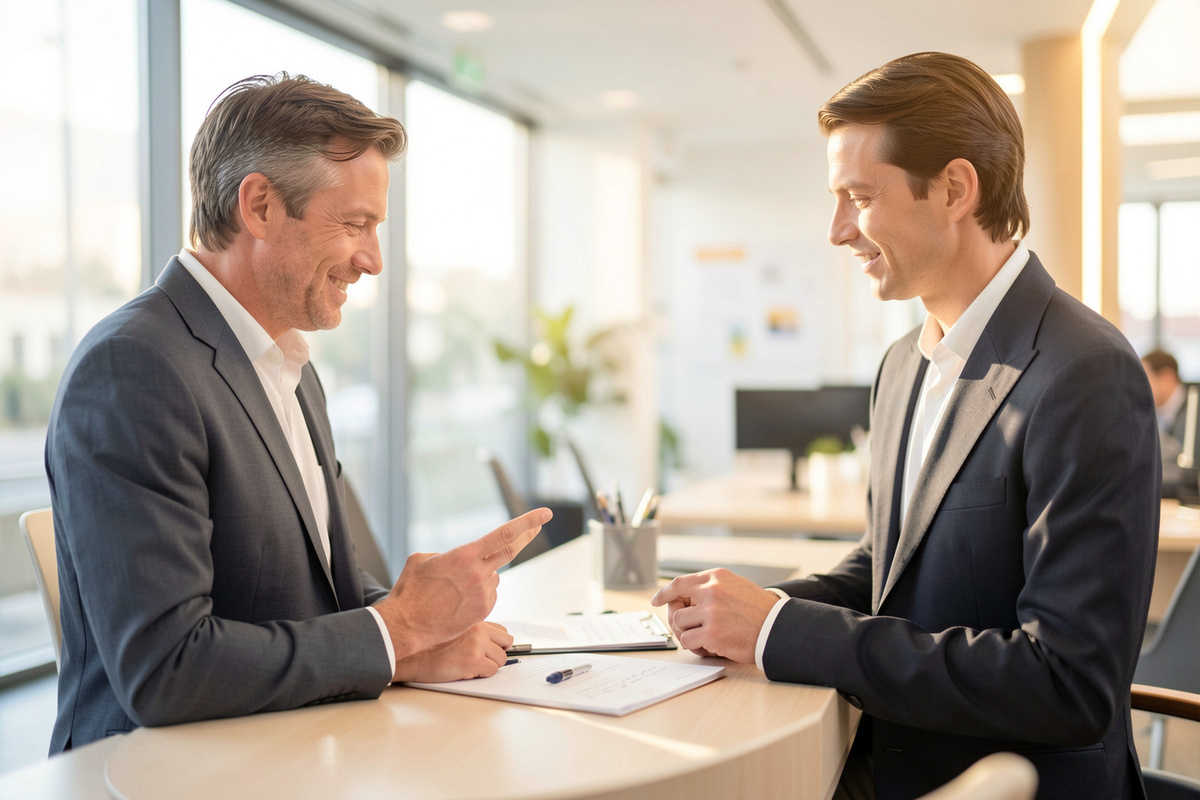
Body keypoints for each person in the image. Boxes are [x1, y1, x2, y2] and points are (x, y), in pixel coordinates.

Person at [652, 52, 1159, 800]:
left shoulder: (1085, 372)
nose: (836, 231)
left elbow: (1068, 684)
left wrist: (779, 631)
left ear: (954, 188)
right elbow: (888, 570)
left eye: (858, 196)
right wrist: (735, 611)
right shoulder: (903, 364)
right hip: (884, 757)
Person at [45, 73, 549, 753]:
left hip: (282, 750)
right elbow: (165, 671)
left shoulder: (287, 366)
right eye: (355, 224)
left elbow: (312, 594)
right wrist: (397, 636)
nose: (371, 259)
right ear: (259, 206)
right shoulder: (135, 368)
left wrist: (414, 622)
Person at [1142, 348, 1188, 498]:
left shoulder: (1194, 414)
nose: (1141, 386)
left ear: (1167, 378)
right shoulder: (1158, 413)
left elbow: (1186, 474)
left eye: (1145, 378)